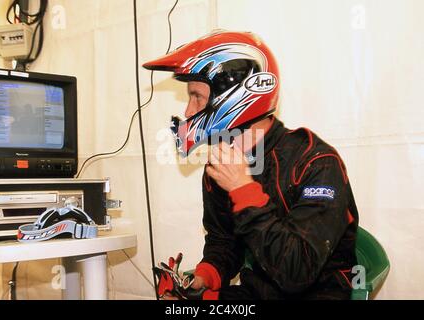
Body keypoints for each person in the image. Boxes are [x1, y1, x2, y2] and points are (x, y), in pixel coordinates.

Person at [144, 30, 359, 300]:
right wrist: (206, 275)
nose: (188, 111)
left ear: (234, 97)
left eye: (197, 96)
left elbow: (297, 271)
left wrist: (242, 189)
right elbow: (224, 240)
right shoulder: (220, 164)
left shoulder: (317, 162)